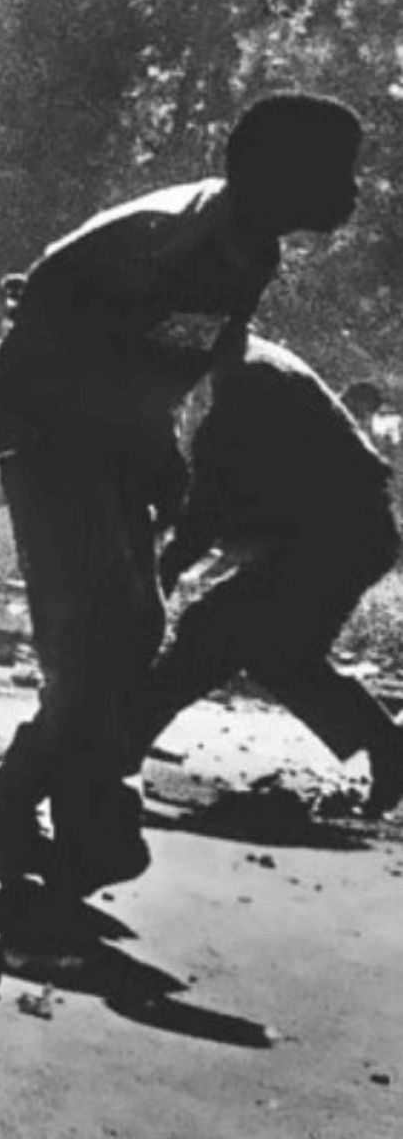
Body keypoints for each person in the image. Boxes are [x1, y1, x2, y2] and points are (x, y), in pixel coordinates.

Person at [0, 92, 363, 896]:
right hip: (46, 421)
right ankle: (17, 815)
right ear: (279, 174)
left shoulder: (253, 250)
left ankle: (63, 813)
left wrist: (163, 443)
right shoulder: (182, 235)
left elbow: (189, 348)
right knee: (91, 633)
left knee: (136, 629)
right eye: (336, 172)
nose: (352, 192)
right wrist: (141, 441)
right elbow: (55, 308)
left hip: (111, 431)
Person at [131, 336, 403, 816]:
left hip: (338, 537)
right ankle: (386, 743)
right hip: (351, 535)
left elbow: (203, 518)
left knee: (211, 631)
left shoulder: (243, 388)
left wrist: (154, 587)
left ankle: (112, 751)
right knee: (278, 655)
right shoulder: (256, 362)